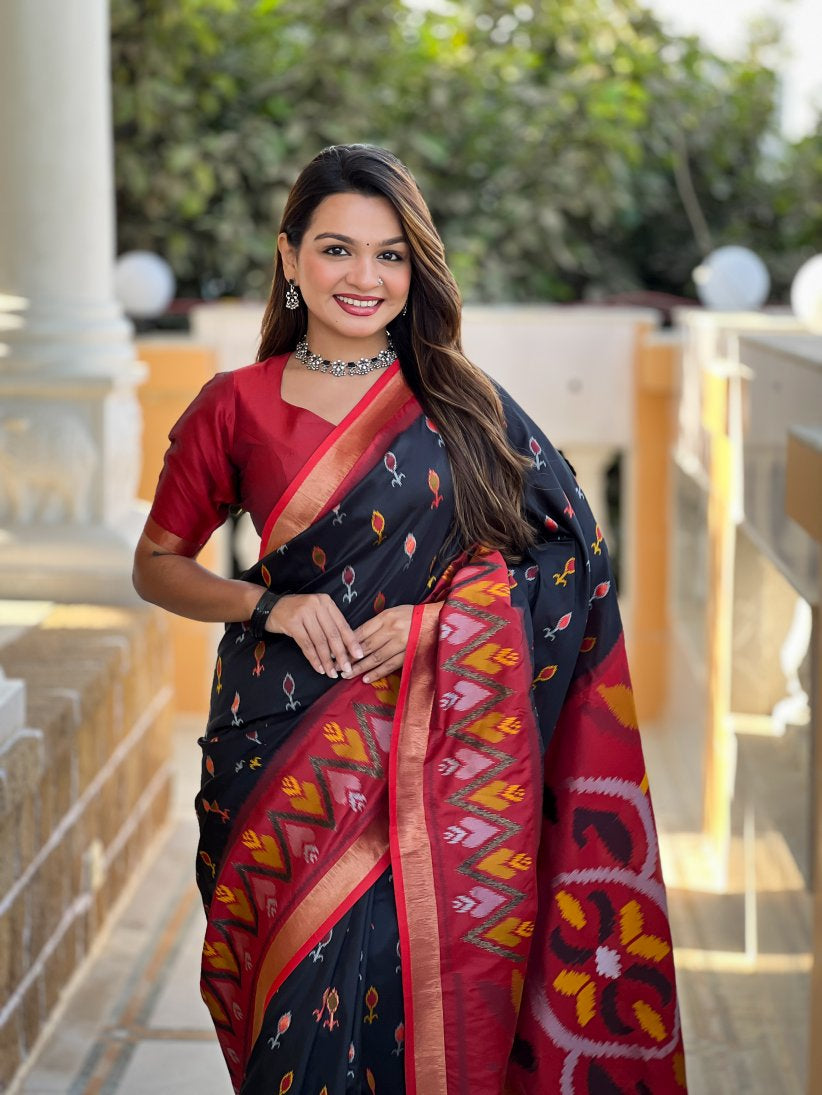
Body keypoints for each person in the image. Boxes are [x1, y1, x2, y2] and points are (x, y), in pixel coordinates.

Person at [133, 144, 686, 1095]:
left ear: (415, 266)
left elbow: (570, 557)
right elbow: (157, 566)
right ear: (289, 255)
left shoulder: (463, 404)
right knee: (292, 1023)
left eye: (390, 254)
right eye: (337, 249)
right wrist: (271, 604)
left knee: (417, 1001)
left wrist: (443, 625)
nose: (365, 277)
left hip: (440, 755)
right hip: (278, 748)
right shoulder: (237, 405)